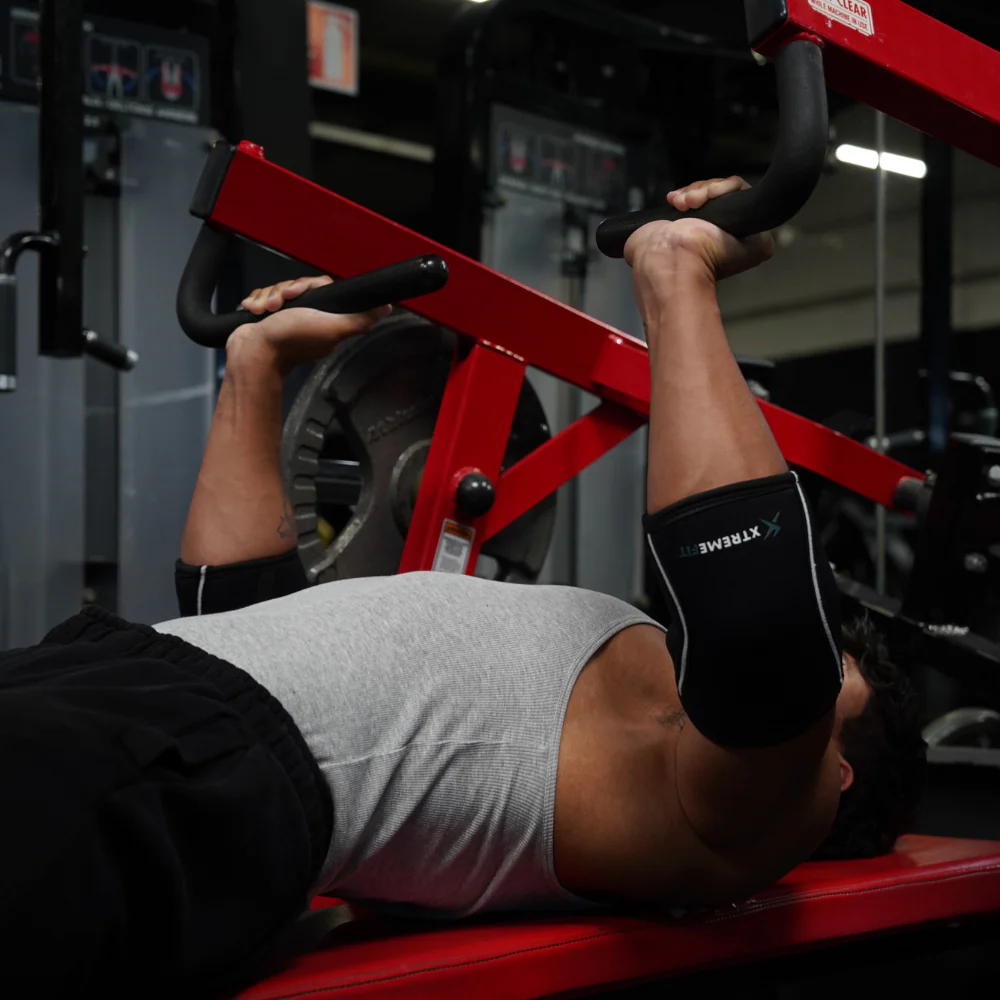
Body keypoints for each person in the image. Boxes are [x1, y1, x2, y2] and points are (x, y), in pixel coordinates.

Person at [0, 178, 926, 996]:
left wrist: (676, 274)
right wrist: (258, 369)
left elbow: (764, 639)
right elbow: (244, 624)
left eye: (830, 686)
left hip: (186, 759)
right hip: (120, 678)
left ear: (836, 774)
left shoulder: (746, 820)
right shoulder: (638, 695)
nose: (815, 662)